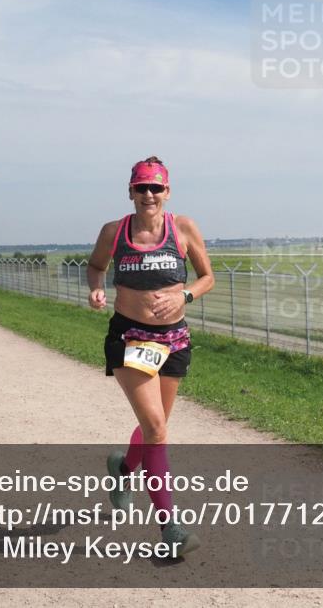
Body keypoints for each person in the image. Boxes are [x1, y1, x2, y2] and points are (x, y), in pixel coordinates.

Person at [87, 157, 214, 557]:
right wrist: (96, 287)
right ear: (130, 191)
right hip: (130, 336)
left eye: (156, 188)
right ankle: (171, 528)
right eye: (141, 187)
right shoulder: (114, 231)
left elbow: (208, 277)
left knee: (154, 426)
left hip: (174, 339)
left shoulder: (184, 229)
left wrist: (184, 294)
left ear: (167, 192)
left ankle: (123, 471)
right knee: (157, 427)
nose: (148, 195)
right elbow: (95, 266)